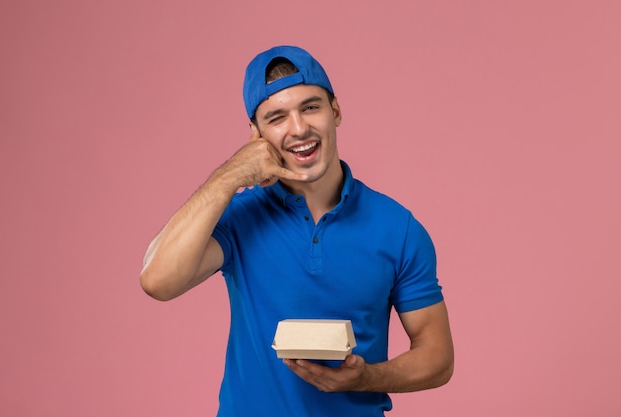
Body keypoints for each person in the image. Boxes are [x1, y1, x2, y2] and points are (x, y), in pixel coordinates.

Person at [140, 45, 454, 416]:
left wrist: (365, 377)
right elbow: (157, 281)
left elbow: (438, 357)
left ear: (335, 110)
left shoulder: (397, 227)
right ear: (255, 134)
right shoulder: (239, 217)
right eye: (276, 117)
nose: (299, 128)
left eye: (310, 107)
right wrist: (231, 175)